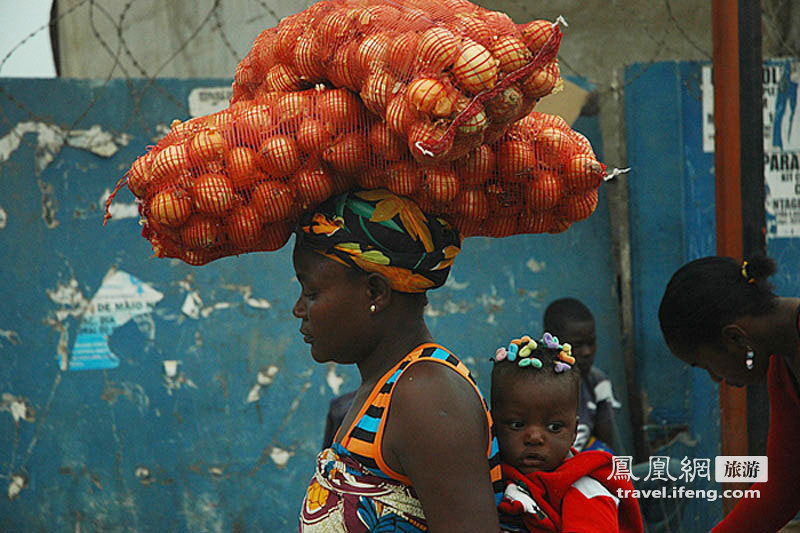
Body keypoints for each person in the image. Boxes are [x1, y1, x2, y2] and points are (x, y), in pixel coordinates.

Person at [293, 189, 503, 532]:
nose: (299, 309)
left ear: (375, 292)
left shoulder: (426, 395)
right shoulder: (381, 388)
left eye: (312, 293)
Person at [658, 255, 800, 532]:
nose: (715, 378)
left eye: (706, 365)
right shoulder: (782, 368)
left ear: (734, 338)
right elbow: (783, 487)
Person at [491, 333, 643, 533]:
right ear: (492, 425)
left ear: (574, 431)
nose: (534, 438)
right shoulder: (485, 475)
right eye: (517, 424)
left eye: (554, 427)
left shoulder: (586, 492)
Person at [543, 298, 621, 452]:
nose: (587, 352)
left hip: (587, 470)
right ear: (551, 342)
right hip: (547, 473)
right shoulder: (534, 384)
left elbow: (607, 448)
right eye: (577, 345)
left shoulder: (597, 383)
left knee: (670, 470)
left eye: (591, 343)